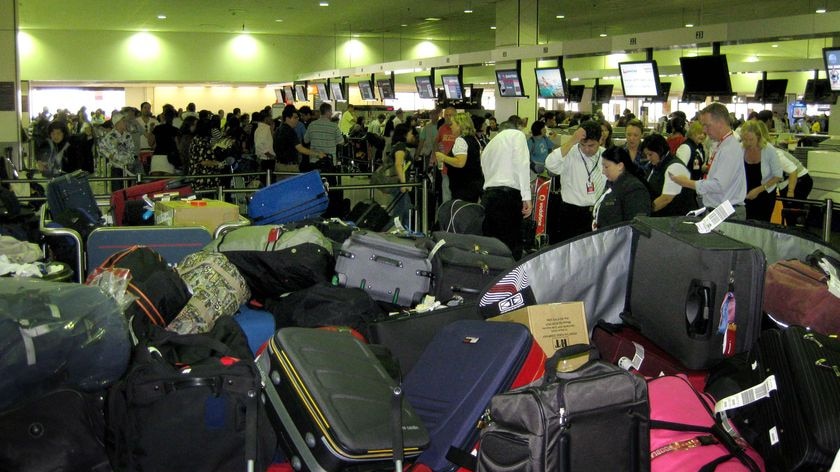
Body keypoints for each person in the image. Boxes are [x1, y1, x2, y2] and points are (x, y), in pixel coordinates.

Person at [670, 102, 747, 220]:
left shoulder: (729, 148)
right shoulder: (722, 144)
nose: (705, 130)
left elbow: (718, 185)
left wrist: (686, 182)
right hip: (721, 209)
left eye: (707, 125)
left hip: (726, 212)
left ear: (720, 123)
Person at [544, 120, 607, 241]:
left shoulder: (606, 155)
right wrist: (572, 140)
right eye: (583, 145)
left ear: (600, 140)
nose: (587, 149)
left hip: (598, 212)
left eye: (591, 145)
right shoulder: (570, 152)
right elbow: (550, 164)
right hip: (572, 213)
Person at [480, 116, 533, 260]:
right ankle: (511, 280)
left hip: (489, 197)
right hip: (508, 197)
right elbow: (522, 165)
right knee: (511, 245)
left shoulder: (489, 145)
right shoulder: (517, 135)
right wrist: (526, 197)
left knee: (492, 244)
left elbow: (484, 171)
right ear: (515, 127)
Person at [592, 146, 651, 229]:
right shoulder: (612, 184)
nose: (603, 171)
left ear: (620, 166)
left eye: (606, 167)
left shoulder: (634, 189)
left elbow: (637, 225)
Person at [643, 133, 698, 217]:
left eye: (650, 154)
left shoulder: (675, 167)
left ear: (660, 150)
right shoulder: (656, 164)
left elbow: (665, 199)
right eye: (646, 155)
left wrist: (644, 212)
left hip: (679, 219)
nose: (648, 158)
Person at [739, 120, 783, 222]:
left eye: (751, 139)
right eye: (745, 139)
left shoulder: (769, 150)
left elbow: (777, 176)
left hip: (765, 194)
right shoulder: (740, 148)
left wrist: (758, 190)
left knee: (761, 225)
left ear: (758, 137)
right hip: (745, 194)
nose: (748, 143)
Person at [435, 112, 484, 202]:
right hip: (474, 185)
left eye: (453, 124)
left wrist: (443, 157)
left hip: (463, 187)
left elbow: (460, 162)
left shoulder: (461, 140)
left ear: (459, 125)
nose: (451, 126)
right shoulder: (474, 139)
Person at [382, 123, 415, 229]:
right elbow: (398, 164)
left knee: (406, 210)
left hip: (398, 183)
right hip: (398, 184)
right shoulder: (400, 146)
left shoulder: (397, 145)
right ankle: (382, 232)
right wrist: (403, 183)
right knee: (400, 213)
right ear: (404, 134)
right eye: (410, 133)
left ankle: (406, 232)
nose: (412, 136)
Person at [98, 112, 137, 192]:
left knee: (128, 191)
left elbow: (132, 149)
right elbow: (101, 148)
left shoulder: (128, 135)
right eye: (123, 121)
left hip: (128, 167)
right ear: (117, 123)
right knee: (118, 191)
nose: (125, 123)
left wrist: (131, 159)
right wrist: (109, 155)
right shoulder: (110, 136)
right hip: (117, 167)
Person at [304, 102, 345, 167]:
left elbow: (306, 140)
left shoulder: (312, 125)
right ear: (328, 112)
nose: (331, 113)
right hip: (329, 161)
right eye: (331, 111)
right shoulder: (334, 126)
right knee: (329, 176)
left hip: (314, 160)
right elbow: (341, 142)